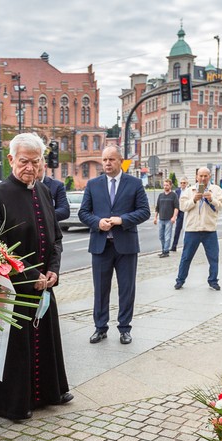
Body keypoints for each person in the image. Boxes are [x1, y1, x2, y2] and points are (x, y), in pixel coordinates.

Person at [0, 133, 72, 421]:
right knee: (16, 347)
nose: (30, 167)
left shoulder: (44, 192)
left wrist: (52, 270)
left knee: (45, 340)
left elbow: (55, 237)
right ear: (10, 160)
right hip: (12, 287)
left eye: (35, 161)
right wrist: (32, 274)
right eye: (23, 161)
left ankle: (48, 392)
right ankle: (13, 402)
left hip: (44, 284)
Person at [78, 145, 150, 345]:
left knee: (126, 289)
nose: (107, 163)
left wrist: (122, 220)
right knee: (100, 289)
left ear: (120, 161)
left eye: (111, 159)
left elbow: (145, 211)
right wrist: (97, 222)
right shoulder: (93, 184)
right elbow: (83, 213)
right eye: (104, 160)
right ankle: (100, 328)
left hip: (126, 245)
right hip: (101, 246)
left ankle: (125, 328)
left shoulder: (134, 184)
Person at [174, 167, 222, 291]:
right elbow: (182, 206)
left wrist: (211, 199)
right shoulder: (189, 190)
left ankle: (213, 281)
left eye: (205, 176)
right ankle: (180, 280)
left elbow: (221, 206)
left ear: (210, 176)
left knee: (214, 257)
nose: (203, 178)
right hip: (192, 229)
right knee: (186, 257)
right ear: (196, 177)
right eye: (200, 176)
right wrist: (194, 200)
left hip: (209, 229)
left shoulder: (216, 190)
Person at [153, 179, 179, 258]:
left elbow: (176, 207)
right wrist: (155, 217)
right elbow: (157, 207)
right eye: (164, 185)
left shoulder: (173, 195)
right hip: (161, 219)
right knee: (161, 236)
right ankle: (163, 250)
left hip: (169, 219)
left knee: (167, 236)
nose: (165, 187)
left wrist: (174, 217)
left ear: (170, 186)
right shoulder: (160, 195)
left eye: (167, 185)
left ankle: (166, 251)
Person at [170, 178, 189, 252]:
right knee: (178, 229)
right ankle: (174, 246)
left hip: (187, 211)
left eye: (184, 183)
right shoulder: (177, 191)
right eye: (181, 183)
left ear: (187, 183)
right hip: (180, 212)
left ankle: (186, 246)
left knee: (186, 229)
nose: (182, 184)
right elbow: (175, 201)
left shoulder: (189, 190)